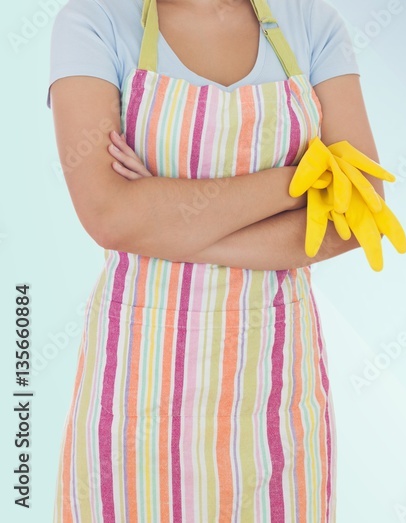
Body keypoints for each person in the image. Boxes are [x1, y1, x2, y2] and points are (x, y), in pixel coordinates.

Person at [47, 0, 381, 520]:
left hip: (275, 390)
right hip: (140, 387)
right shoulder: (94, 21)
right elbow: (110, 217)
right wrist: (298, 181)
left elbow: (360, 210)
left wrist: (166, 225)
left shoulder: (311, 23)